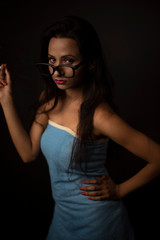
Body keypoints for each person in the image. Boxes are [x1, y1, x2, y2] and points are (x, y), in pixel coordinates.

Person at [0, 15, 160, 240]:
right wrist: (6, 100)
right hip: (63, 218)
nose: (57, 71)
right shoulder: (49, 99)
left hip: (98, 223)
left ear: (91, 62)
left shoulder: (100, 116)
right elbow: (28, 153)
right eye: (52, 60)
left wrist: (120, 190)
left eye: (68, 61)